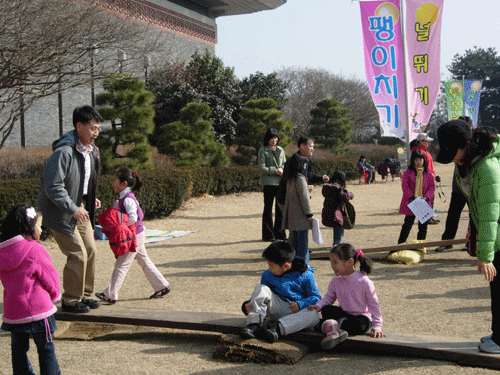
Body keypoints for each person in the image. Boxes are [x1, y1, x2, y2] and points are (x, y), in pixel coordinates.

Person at [436, 120, 500, 354]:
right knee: (496, 289)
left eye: (453, 151)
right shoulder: (466, 161)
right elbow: (474, 206)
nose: (451, 157)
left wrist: (485, 255)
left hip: (498, 235)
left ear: (466, 144)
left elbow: (490, 214)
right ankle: (498, 334)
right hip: (495, 235)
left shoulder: (487, 167)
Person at [37, 105, 103, 314]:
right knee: (77, 254)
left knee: (91, 250)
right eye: (93, 128)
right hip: (60, 211)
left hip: (79, 207)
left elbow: (82, 180)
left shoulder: (92, 152)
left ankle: (85, 295)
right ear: (79, 126)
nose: (96, 133)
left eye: (98, 129)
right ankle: (71, 300)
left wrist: (90, 198)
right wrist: (73, 208)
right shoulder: (63, 152)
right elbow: (52, 186)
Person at [0, 204, 61, 374]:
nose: (41, 230)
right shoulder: (35, 249)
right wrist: (55, 294)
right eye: (39, 226)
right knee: (46, 350)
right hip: (39, 310)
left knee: (18, 352)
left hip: (14, 312)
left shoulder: (2, 252)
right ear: (29, 227)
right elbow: (50, 276)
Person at [96, 168, 170, 303]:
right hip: (137, 233)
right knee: (143, 260)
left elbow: (134, 218)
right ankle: (162, 286)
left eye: (115, 180)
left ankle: (110, 294)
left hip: (133, 236)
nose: (113, 183)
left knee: (121, 264)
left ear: (124, 183)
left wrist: (122, 228)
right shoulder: (125, 197)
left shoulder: (127, 199)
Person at [240, 240, 321, 343]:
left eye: (271, 265)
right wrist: (247, 304)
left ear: (286, 265)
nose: (269, 268)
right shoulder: (267, 274)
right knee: (261, 288)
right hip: (276, 308)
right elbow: (262, 295)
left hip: (295, 313)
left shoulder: (306, 275)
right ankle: (254, 325)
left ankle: (276, 329)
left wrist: (300, 304)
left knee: (314, 315)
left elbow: (316, 297)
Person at [308, 243, 386, 350]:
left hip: (360, 317)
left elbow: (374, 305)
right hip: (345, 314)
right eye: (331, 262)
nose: (332, 266)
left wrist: (377, 326)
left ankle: (330, 327)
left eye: (335, 262)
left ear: (350, 262)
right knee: (326, 310)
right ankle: (336, 327)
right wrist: (319, 306)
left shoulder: (364, 282)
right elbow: (329, 298)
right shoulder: (336, 281)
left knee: (360, 325)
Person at [435, 116, 472, 252]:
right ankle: (447, 241)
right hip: (458, 188)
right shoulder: (456, 149)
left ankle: (471, 242)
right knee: (453, 213)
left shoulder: (472, 151)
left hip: (472, 188)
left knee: (473, 214)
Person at [282, 153, 315, 264]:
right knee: (303, 243)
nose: (305, 167)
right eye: (305, 165)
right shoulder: (300, 179)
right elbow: (304, 198)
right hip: (301, 216)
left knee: (294, 242)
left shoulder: (290, 178)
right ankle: (304, 265)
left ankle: (294, 264)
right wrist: (309, 214)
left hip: (292, 215)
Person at [397, 149, 435, 244]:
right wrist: (412, 197)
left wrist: (426, 197)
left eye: (421, 160)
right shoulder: (408, 173)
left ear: (424, 161)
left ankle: (420, 246)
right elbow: (405, 187)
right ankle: (400, 245)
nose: (419, 162)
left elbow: (431, 187)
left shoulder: (428, 173)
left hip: (423, 202)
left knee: (423, 227)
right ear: (413, 161)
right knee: (407, 225)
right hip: (412, 202)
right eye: (416, 160)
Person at [258, 128, 286, 242]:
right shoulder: (263, 150)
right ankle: (268, 235)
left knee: (280, 209)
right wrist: (275, 170)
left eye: (275, 138)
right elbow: (262, 168)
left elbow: (284, 163)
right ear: (267, 139)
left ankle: (280, 233)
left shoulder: (281, 149)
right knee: (268, 209)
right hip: (269, 183)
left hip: (280, 182)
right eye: (271, 138)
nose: (274, 140)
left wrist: (282, 169)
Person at [412, 132, 440, 224]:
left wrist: (434, 175)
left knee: (430, 197)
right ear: (421, 141)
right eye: (426, 141)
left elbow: (430, 167)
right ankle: (426, 218)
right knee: (424, 197)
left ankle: (429, 217)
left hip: (429, 177)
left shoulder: (424, 152)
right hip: (423, 178)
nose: (427, 143)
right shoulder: (418, 152)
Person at [321, 170, 354, 245]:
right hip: (337, 212)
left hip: (328, 210)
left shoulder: (327, 187)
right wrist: (351, 194)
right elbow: (344, 197)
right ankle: (338, 246)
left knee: (336, 228)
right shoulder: (338, 188)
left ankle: (336, 243)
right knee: (339, 229)